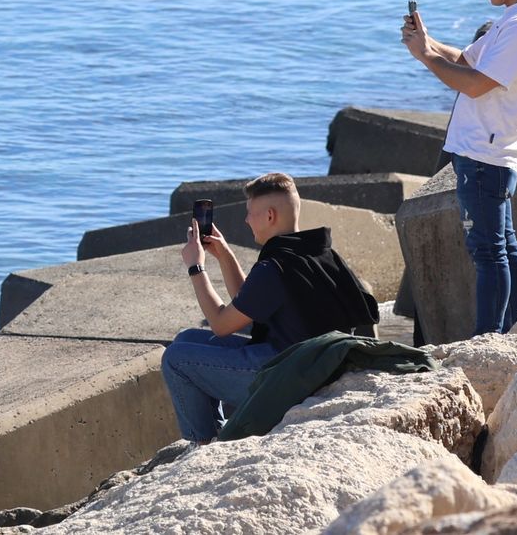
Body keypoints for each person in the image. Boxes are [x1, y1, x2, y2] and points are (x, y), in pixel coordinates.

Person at [401, 0, 517, 336]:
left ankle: (489, 338)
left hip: (487, 155)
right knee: (503, 245)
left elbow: (475, 84)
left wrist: (425, 56)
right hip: (487, 152)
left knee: (488, 252)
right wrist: (427, 42)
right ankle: (516, 329)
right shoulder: (515, 19)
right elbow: (467, 61)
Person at [161, 172, 378, 443]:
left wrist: (196, 267)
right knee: (187, 339)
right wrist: (224, 254)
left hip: (286, 379)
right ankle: (221, 431)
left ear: (269, 216)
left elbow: (221, 325)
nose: (246, 220)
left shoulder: (274, 268)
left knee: (176, 358)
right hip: (313, 366)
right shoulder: (317, 253)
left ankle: (203, 443)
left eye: (250, 212)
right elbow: (248, 302)